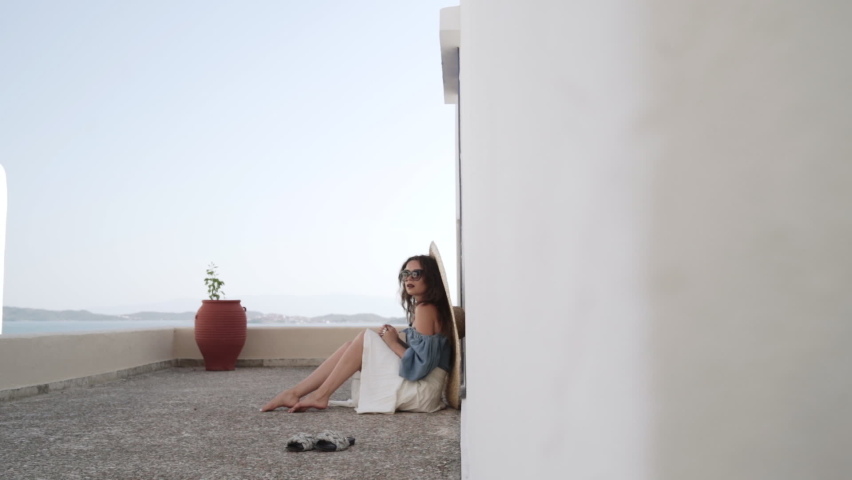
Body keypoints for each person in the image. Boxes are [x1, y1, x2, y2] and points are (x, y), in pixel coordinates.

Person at [260, 254, 454, 414]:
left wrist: (393, 342)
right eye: (406, 273)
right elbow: (424, 358)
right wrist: (391, 342)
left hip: (422, 392)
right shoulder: (427, 308)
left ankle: (320, 395)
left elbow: (420, 368)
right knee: (350, 347)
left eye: (416, 274)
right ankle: (294, 393)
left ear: (431, 278)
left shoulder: (426, 309)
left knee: (364, 338)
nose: (408, 278)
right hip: (425, 390)